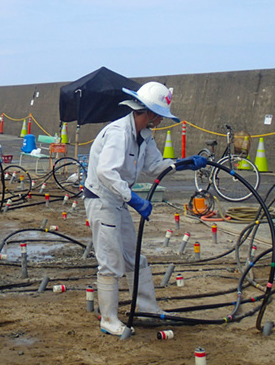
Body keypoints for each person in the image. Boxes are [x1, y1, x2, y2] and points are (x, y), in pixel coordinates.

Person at [83, 81, 206, 336]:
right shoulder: (118, 133)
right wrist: (135, 200)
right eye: (159, 115)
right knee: (111, 260)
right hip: (102, 200)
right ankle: (108, 319)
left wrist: (183, 164)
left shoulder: (144, 136)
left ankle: (148, 309)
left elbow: (154, 166)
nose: (160, 120)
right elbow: (106, 172)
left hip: (118, 201)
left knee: (133, 257)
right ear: (149, 112)